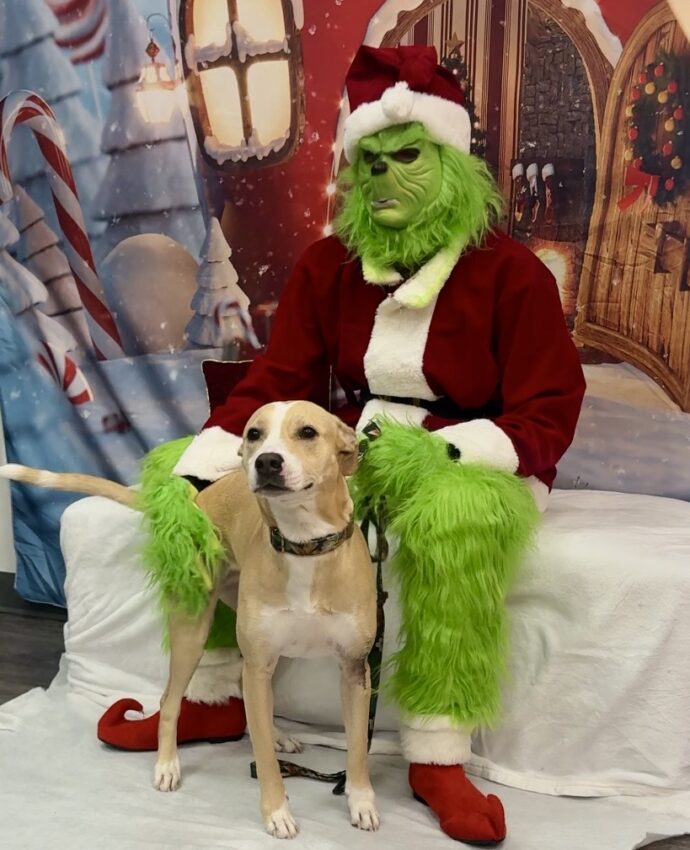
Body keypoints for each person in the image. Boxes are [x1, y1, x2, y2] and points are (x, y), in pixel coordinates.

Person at [100, 45, 585, 845]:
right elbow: (281, 371)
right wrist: (207, 460)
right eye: (370, 162)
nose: (386, 177)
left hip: (464, 448)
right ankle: (219, 696)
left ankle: (434, 751)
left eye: (409, 156)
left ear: (453, 160)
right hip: (350, 444)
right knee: (186, 491)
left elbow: (549, 409)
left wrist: (454, 454)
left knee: (454, 522)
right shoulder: (328, 265)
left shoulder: (512, 275)